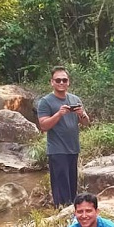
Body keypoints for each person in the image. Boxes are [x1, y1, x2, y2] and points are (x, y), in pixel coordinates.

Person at [37, 66, 90, 207]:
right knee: (61, 187)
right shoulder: (45, 101)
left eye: (64, 80)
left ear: (68, 82)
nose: (61, 82)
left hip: (73, 148)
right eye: (58, 80)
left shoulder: (75, 99)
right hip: (57, 150)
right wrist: (59, 114)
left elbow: (86, 123)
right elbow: (43, 125)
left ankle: (73, 211)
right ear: (52, 82)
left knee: (72, 185)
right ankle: (61, 210)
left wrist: (81, 114)